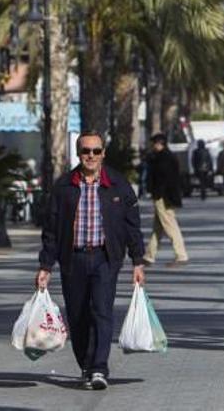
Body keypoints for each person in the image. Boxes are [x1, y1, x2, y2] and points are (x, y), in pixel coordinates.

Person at [35, 130, 146, 391]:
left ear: (103, 153)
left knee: (102, 311)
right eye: (86, 151)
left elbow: (132, 226)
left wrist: (138, 261)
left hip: (105, 258)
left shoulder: (118, 186)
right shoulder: (64, 187)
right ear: (78, 153)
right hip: (73, 258)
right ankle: (86, 363)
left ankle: (99, 368)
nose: (91, 156)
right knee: (77, 315)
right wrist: (45, 266)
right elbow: (51, 229)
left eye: (96, 151)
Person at [143, 133, 188, 266]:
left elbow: (163, 179)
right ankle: (149, 256)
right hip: (164, 196)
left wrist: (156, 192)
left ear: (159, 143)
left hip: (163, 197)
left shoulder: (163, 158)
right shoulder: (166, 157)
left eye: (155, 143)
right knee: (158, 227)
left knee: (169, 225)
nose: (153, 146)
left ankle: (181, 255)